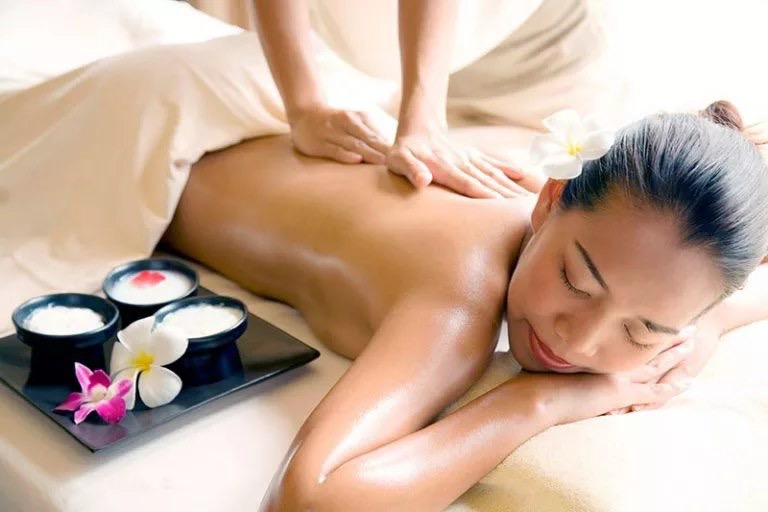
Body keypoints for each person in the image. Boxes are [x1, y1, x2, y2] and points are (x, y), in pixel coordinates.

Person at [162, 100, 768, 510]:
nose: (580, 342)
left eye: (641, 331)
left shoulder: (606, 231)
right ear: (548, 199)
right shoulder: (461, 291)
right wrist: (539, 400)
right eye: (577, 283)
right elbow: (308, 499)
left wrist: (704, 326)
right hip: (181, 140)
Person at [252, 0, 610, 199]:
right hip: (417, 66)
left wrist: (423, 123)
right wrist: (304, 108)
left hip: (540, 58)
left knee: (535, 201)